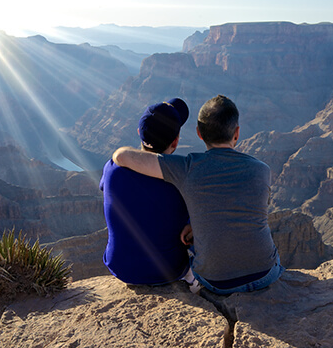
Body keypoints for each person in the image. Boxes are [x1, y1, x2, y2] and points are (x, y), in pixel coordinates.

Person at [113, 95, 284, 295]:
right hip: (264, 275)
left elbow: (122, 157)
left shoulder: (186, 167)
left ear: (199, 134)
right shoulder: (262, 170)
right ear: (236, 133)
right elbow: (244, 210)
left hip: (216, 283)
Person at [100, 98, 193, 285]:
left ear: (139, 132)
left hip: (121, 268)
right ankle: (194, 285)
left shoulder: (111, 167)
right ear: (175, 142)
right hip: (168, 271)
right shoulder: (181, 180)